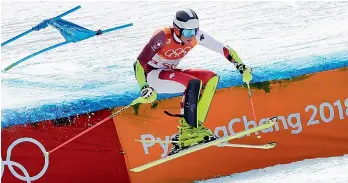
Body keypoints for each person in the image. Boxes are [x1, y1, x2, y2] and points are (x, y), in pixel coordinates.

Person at [133, 9, 252, 155]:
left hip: (169, 73)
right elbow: (138, 63)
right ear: (177, 30)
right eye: (188, 32)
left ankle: (196, 126)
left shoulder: (196, 36)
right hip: (153, 76)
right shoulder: (162, 36)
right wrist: (143, 86)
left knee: (211, 78)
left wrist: (240, 65)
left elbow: (222, 48)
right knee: (193, 82)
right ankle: (186, 130)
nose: (192, 36)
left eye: (194, 30)